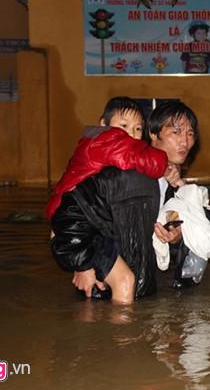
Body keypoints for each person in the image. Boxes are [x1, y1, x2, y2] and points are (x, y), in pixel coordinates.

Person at [48, 97, 167, 304]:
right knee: (125, 281)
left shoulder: (96, 144)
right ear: (104, 124)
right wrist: (165, 161)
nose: (131, 134)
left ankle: (99, 330)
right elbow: (151, 162)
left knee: (98, 287)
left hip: (77, 223)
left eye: (138, 129)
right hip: (73, 225)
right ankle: (123, 335)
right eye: (123, 126)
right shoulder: (106, 141)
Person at [147, 101, 210, 288]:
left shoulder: (176, 184)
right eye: (176, 132)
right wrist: (86, 267)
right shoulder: (131, 174)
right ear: (152, 133)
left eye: (190, 134)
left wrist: (178, 236)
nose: (185, 141)